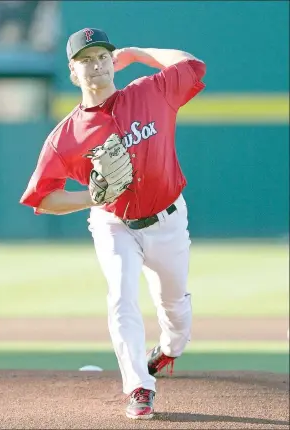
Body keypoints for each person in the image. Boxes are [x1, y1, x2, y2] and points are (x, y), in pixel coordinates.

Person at [20, 27, 206, 420]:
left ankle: (169, 350)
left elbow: (190, 64)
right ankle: (139, 386)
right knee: (121, 298)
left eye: (102, 56)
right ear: (72, 72)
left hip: (168, 219)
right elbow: (43, 198)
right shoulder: (66, 136)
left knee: (174, 310)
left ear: (112, 61)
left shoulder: (150, 91)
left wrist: (139, 51)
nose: (95, 65)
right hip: (114, 222)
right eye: (84, 60)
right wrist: (92, 197)